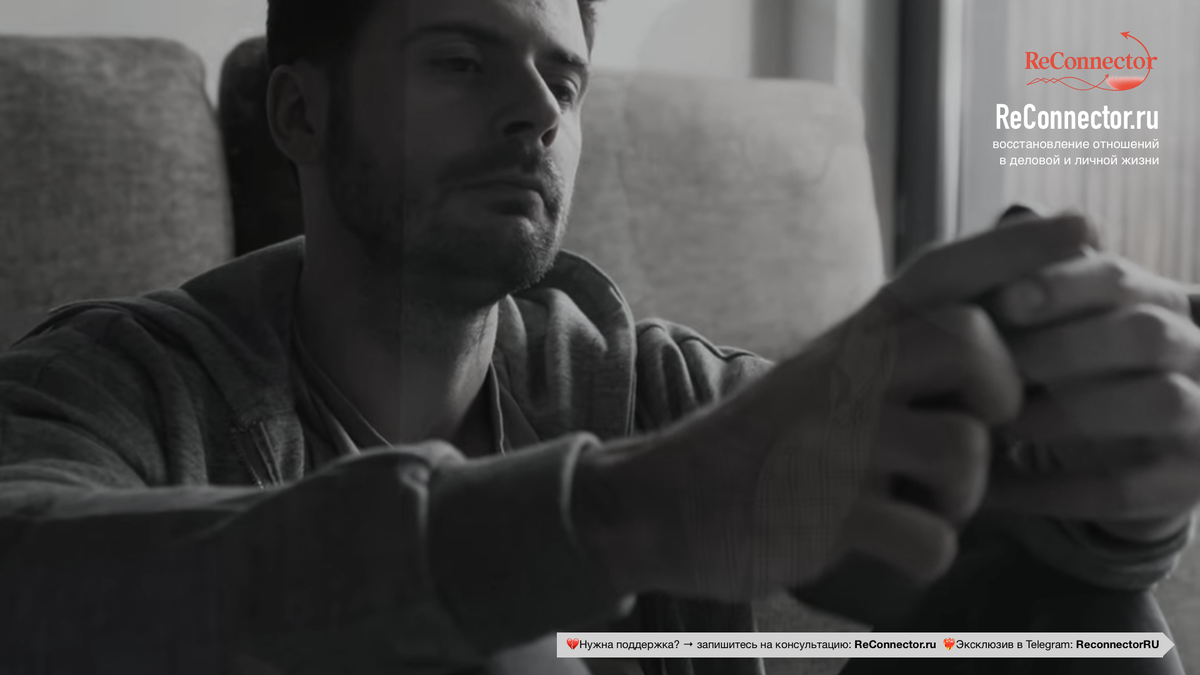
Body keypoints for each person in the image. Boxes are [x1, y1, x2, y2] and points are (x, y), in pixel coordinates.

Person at [0, 0, 1195, 673]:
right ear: (302, 113)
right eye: (459, 60)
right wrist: (612, 516)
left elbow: (968, 552)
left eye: (563, 82)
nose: (534, 111)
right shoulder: (126, 382)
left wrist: (1103, 488)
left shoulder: (647, 382)